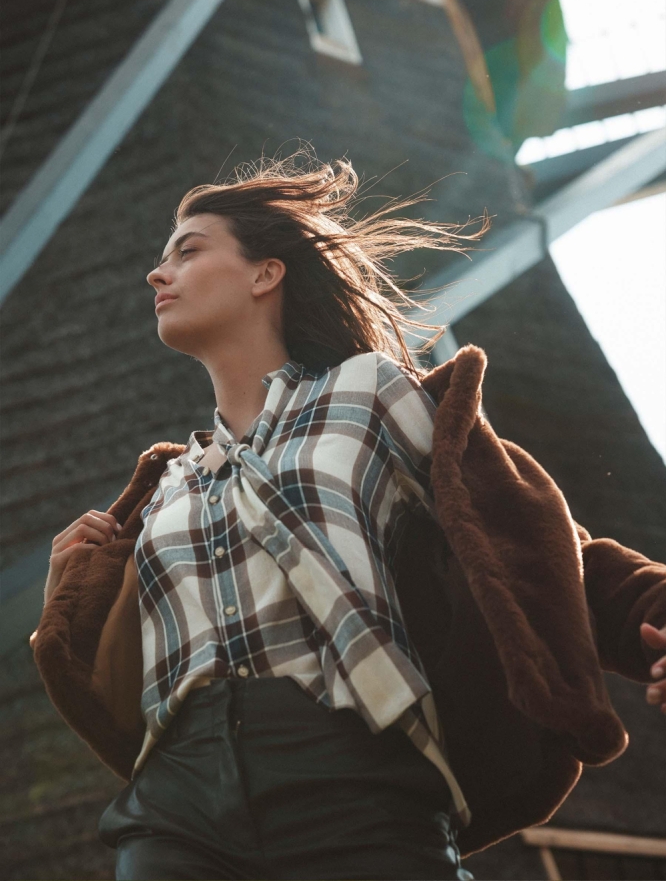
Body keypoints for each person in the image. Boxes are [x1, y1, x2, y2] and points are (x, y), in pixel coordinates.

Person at [40, 155, 666, 881]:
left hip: (355, 778)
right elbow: (118, 677)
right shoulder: (167, 486)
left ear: (264, 274)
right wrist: (74, 597)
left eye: (187, 250)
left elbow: (527, 545)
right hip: (176, 806)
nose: (158, 273)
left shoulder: (368, 393)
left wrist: (653, 609)